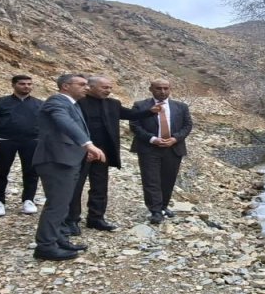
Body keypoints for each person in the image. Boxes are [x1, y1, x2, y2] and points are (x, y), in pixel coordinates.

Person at [65, 75, 158, 235]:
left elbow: (130, 114)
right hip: (82, 151)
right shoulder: (79, 103)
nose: (108, 91)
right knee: (76, 186)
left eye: (110, 88)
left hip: (104, 152)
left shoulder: (113, 104)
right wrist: (82, 149)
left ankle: (96, 218)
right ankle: (72, 220)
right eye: (104, 87)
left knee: (100, 187)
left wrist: (150, 112)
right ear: (90, 87)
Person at [32, 74, 106, 261]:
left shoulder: (72, 104)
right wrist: (87, 144)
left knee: (63, 203)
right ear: (65, 86)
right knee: (56, 204)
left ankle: (57, 237)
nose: (86, 88)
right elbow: (65, 123)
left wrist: (83, 151)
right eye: (81, 84)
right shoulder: (56, 101)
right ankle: (45, 246)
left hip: (67, 159)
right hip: (56, 160)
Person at [129, 78, 193, 225]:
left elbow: (187, 125)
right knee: (151, 180)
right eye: (158, 88)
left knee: (168, 179)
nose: (162, 91)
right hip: (149, 148)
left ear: (170, 89)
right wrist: (152, 139)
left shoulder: (181, 107)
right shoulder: (140, 106)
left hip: (173, 148)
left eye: (166, 88)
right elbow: (135, 125)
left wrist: (175, 139)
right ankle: (155, 211)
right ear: (151, 89)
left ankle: (164, 206)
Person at [0, 75, 44, 217]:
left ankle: (28, 200)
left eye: (29, 84)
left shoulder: (39, 104)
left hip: (32, 141)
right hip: (4, 140)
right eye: (22, 84)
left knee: (31, 172)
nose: (26, 86)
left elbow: (45, 125)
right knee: (1, 171)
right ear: (13, 85)